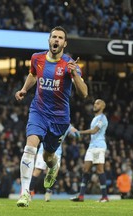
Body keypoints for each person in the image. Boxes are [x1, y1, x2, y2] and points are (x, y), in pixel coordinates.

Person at [15, 26, 88, 207]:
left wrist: (74, 75)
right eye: (53, 37)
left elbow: (84, 93)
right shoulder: (36, 58)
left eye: (60, 38)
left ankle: (53, 166)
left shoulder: (70, 64)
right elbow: (33, 75)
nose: (56, 40)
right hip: (38, 111)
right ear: (49, 40)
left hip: (59, 118)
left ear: (65, 43)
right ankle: (25, 193)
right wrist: (24, 89)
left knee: (48, 157)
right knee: (30, 148)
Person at [70, 99, 109, 202]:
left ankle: (104, 197)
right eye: (95, 103)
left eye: (98, 103)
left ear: (103, 106)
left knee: (99, 170)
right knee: (85, 170)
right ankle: (81, 196)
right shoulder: (95, 118)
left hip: (98, 147)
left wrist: (79, 132)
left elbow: (94, 131)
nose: (95, 105)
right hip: (91, 147)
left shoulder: (102, 118)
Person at [29, 125, 79, 202]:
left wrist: (75, 134)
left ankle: (48, 193)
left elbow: (76, 132)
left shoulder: (67, 124)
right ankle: (29, 193)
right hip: (44, 150)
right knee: (37, 171)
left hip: (57, 152)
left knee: (54, 172)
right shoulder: (50, 119)